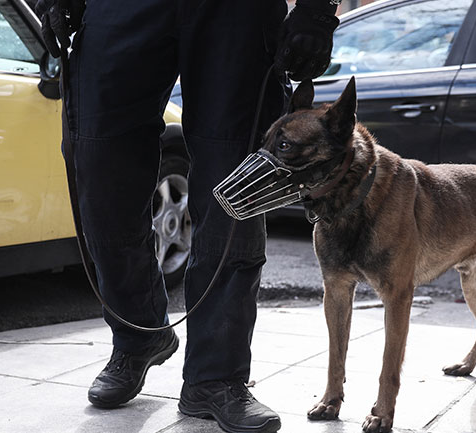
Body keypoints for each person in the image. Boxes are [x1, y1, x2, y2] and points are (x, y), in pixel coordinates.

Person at [33, 1, 340, 432]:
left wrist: (317, 9)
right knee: (102, 173)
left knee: (234, 194)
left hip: (236, 14)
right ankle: (138, 335)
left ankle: (215, 378)